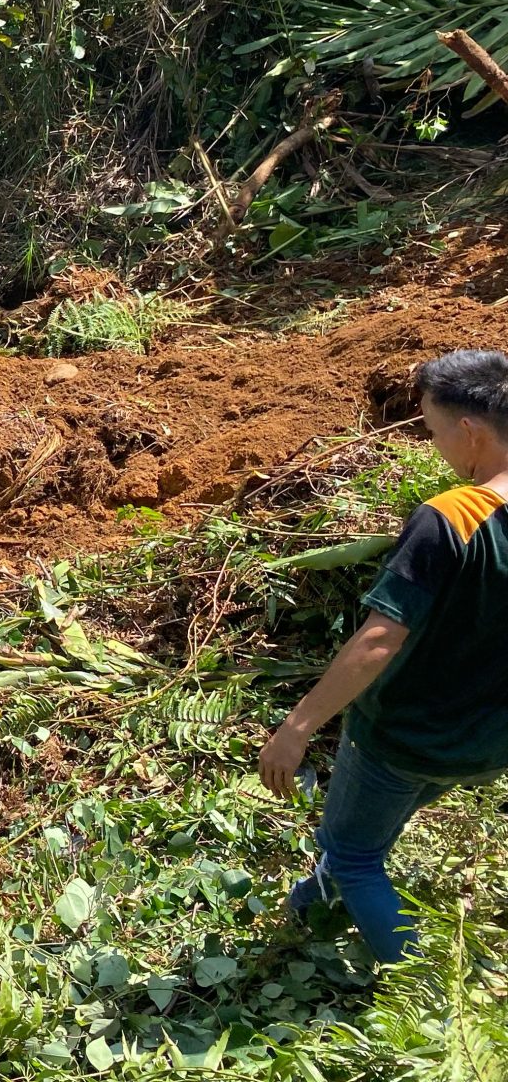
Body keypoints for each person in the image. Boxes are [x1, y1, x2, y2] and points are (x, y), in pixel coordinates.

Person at [259, 348, 508, 963]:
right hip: (489, 745)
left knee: (354, 856)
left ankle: (421, 994)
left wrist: (296, 728)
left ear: (471, 432)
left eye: (435, 430)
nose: (437, 447)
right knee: (361, 828)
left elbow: (378, 639)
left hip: (406, 734)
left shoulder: (452, 518)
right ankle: (303, 908)